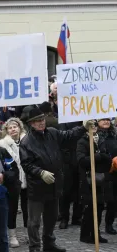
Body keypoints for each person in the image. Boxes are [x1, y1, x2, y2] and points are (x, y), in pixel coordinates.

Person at [19, 108, 92, 252]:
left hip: (54, 184)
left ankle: (49, 243)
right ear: (31, 123)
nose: (41, 123)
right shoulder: (26, 141)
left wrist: (83, 127)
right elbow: (26, 164)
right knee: (34, 222)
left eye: (42, 120)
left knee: (51, 218)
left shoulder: (52, 132)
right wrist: (40, 173)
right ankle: (34, 247)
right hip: (37, 187)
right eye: (37, 121)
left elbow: (68, 136)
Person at [76, 123, 110, 244]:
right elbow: (82, 160)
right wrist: (98, 156)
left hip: (100, 178)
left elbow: (108, 158)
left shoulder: (100, 139)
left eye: (95, 125)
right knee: (89, 207)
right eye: (91, 125)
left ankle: (96, 233)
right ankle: (85, 235)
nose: (94, 127)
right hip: (87, 180)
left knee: (100, 207)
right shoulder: (82, 141)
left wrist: (99, 157)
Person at [0, 118, 27, 248]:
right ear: (6, 130)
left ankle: (28, 233)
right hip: (12, 180)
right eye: (10, 127)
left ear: (20, 128)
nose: (13, 129)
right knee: (12, 209)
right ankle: (12, 235)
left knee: (28, 209)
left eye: (15, 126)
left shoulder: (28, 141)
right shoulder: (2, 144)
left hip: (28, 178)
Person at [58, 121, 83, 230]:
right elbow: (63, 138)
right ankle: (64, 218)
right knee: (65, 191)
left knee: (80, 190)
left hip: (80, 159)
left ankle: (77, 217)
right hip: (67, 160)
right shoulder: (65, 119)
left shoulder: (83, 118)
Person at [96, 118, 117, 234]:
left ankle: (109, 224)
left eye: (108, 120)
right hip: (102, 171)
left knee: (113, 201)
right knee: (101, 201)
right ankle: (95, 228)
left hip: (114, 171)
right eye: (103, 120)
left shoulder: (114, 134)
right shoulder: (95, 135)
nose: (106, 122)